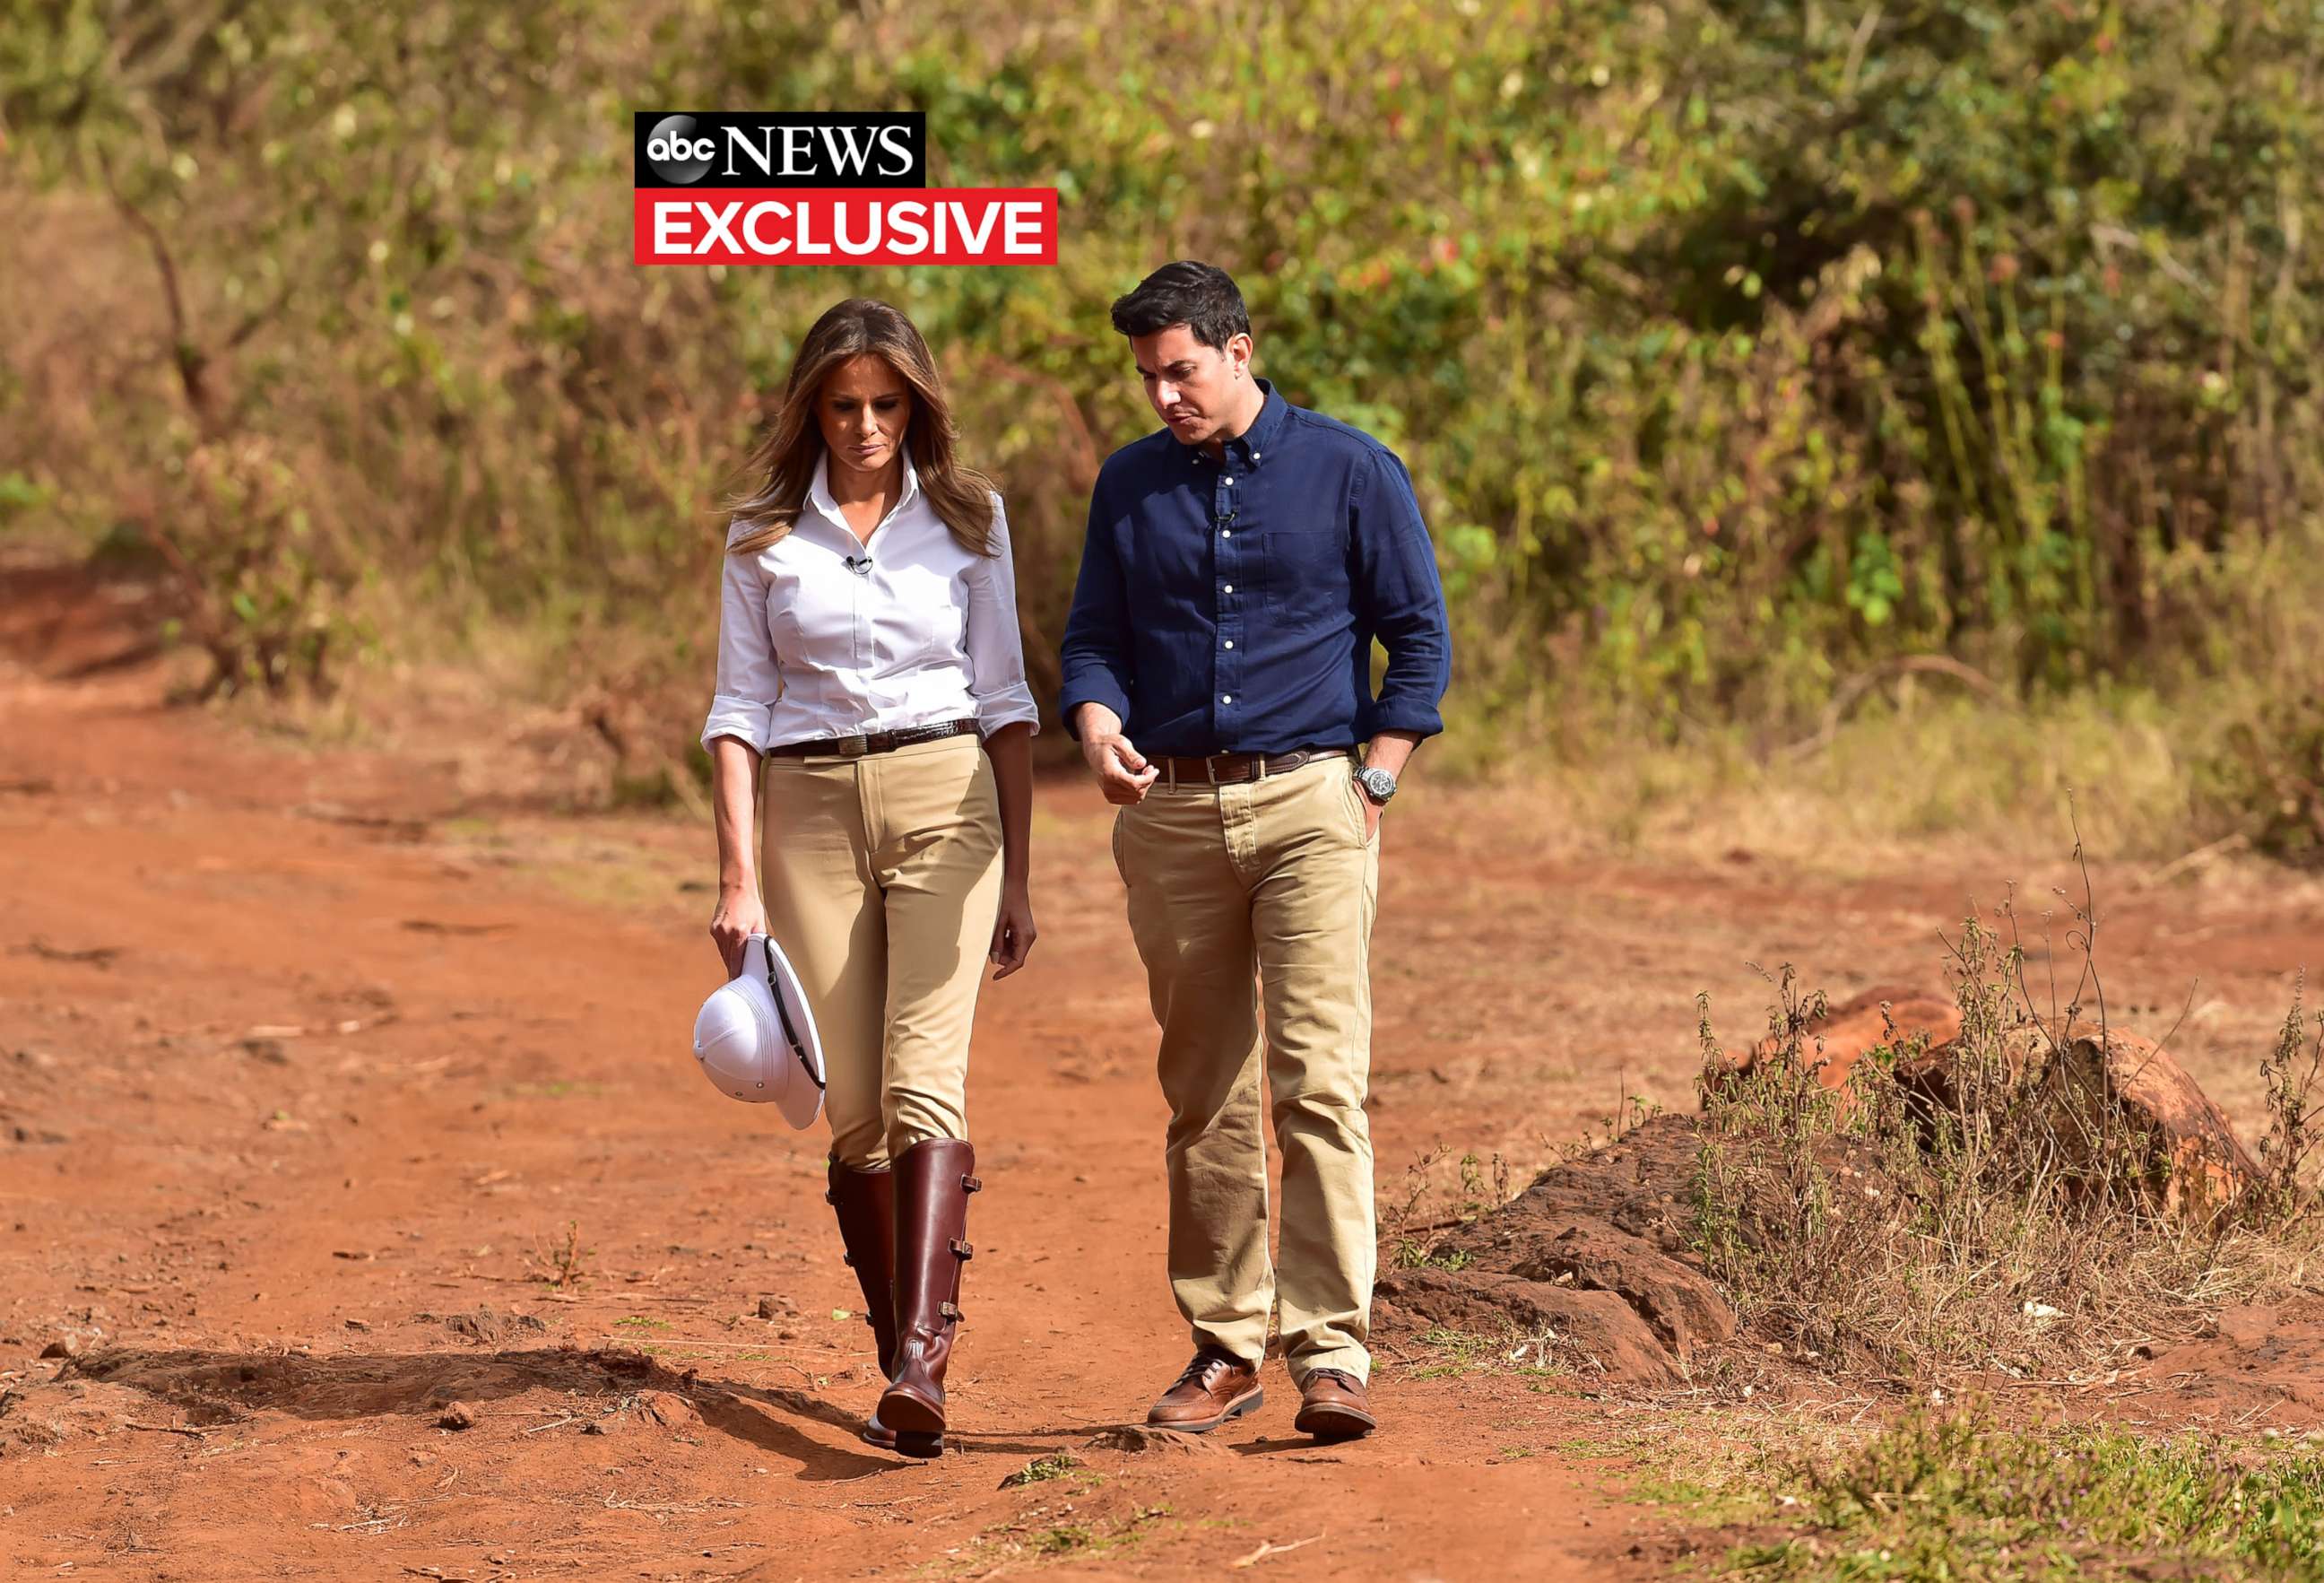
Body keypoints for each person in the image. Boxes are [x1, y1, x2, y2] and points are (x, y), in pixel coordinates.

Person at [1059, 261, 1452, 1441]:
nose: (1165, 393)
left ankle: (1331, 1351)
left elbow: (1418, 638)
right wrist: (1093, 717)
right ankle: (1226, 1346)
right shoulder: (1129, 486)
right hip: (1172, 816)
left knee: (1318, 1083)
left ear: (1240, 348)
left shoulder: (1350, 468)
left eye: (1181, 368)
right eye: (1148, 376)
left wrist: (1374, 775)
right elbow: (1094, 638)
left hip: (1310, 807)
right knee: (1206, 1093)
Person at [702, 297, 1039, 1459]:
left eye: (886, 405)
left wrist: (1025, 877)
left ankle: (920, 1366)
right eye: (843, 406)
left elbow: (1007, 703)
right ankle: (904, 1351)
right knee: (851, 1105)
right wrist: (737, 878)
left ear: (917, 406)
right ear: (812, 409)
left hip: (948, 801)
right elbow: (738, 712)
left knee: (921, 1080)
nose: (864, 427)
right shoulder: (761, 535)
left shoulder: (969, 519)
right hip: (805, 810)